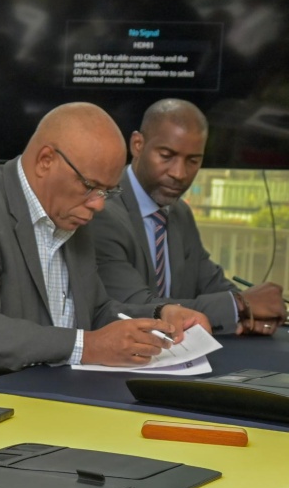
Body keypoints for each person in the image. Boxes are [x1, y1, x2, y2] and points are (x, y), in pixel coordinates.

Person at [0, 102, 211, 394]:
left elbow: (94, 312)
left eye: (107, 192)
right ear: (45, 160)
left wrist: (159, 317)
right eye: (90, 186)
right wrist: (89, 346)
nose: (98, 204)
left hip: (36, 396)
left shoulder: (72, 214)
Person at [87, 98, 286, 335]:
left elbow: (211, 283)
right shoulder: (101, 209)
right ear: (138, 145)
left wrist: (250, 312)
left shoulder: (179, 212)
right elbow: (137, 307)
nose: (179, 173)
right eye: (166, 155)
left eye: (193, 160)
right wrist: (240, 305)